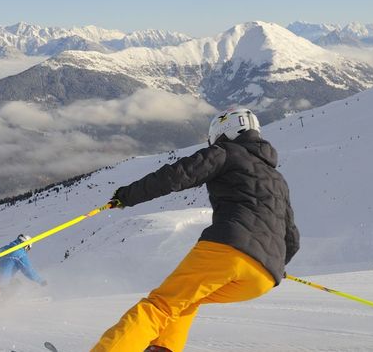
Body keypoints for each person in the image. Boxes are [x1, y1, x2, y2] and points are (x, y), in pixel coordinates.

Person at [91, 108, 299, 352]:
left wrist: (126, 196)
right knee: (186, 300)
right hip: (262, 278)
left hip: (228, 250)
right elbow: (292, 238)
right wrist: (275, 262)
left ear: (224, 131)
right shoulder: (277, 179)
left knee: (160, 305)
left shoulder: (227, 152)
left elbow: (176, 176)